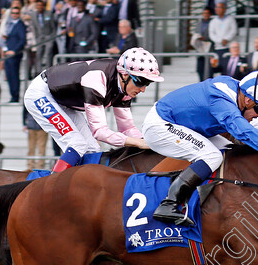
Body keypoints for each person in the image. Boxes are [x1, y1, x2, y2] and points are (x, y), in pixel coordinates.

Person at [143, 70, 258, 225]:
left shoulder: (243, 95)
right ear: (248, 100)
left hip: (188, 126)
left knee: (230, 152)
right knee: (212, 156)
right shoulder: (221, 100)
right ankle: (169, 204)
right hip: (161, 124)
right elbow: (246, 133)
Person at [23, 47, 162, 172]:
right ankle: (51, 186)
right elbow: (100, 132)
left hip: (62, 98)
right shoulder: (96, 79)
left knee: (93, 149)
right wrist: (138, 143)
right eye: (141, 82)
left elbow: (127, 128)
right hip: (41, 94)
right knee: (77, 144)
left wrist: (148, 141)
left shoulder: (124, 88)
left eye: (147, 83)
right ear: (125, 75)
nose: (143, 89)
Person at [1, 6, 26, 103]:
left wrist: (14, 50)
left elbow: (22, 40)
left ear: (19, 14)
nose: (14, 15)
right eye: (13, 13)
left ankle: (15, 96)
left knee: (14, 75)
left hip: (14, 54)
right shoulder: (9, 24)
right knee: (9, 75)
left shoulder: (20, 25)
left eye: (16, 13)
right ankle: (12, 95)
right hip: (8, 52)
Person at [28, 0, 57, 76]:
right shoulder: (33, 15)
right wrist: (37, 36)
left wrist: (52, 37)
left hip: (49, 36)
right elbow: (34, 26)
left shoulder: (49, 14)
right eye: (38, 5)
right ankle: (38, 71)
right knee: (39, 54)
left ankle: (49, 71)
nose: (40, 7)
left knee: (48, 54)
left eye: (41, 5)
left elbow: (53, 26)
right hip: (39, 37)